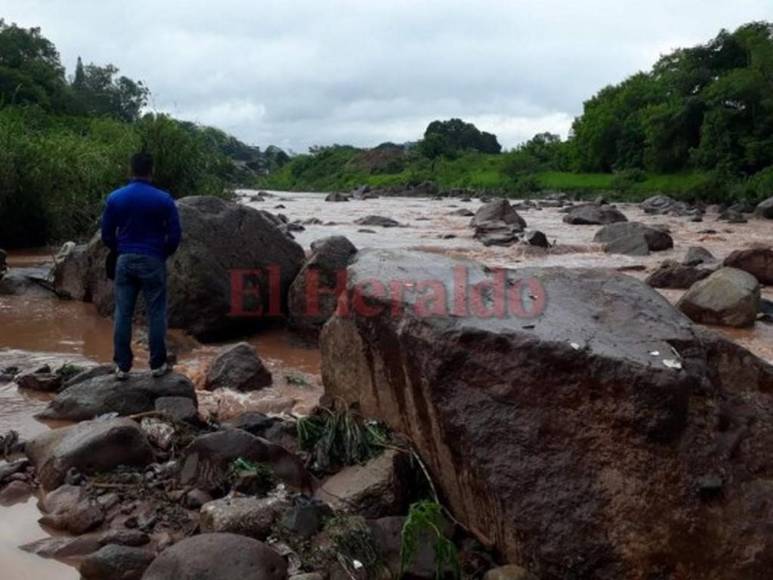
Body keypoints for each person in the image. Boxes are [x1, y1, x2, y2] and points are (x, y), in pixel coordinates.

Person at [101, 153, 181, 380]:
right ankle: (157, 365)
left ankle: (122, 367)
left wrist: (120, 249)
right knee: (156, 313)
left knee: (123, 313)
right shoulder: (164, 199)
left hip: (125, 259)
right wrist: (161, 253)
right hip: (153, 259)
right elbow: (175, 236)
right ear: (151, 171)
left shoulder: (115, 198)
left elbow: (106, 234)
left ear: (131, 170)